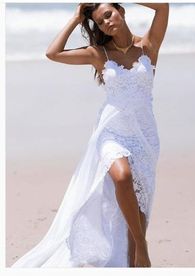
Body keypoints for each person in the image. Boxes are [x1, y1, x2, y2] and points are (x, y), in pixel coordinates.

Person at [11, 2, 169, 268]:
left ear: (121, 11)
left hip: (145, 135)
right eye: (100, 21)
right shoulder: (99, 54)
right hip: (111, 132)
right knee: (123, 176)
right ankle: (143, 246)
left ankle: (136, 254)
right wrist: (76, 18)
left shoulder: (148, 46)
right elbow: (53, 53)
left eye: (109, 14)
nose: (106, 22)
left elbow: (162, 6)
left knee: (140, 207)